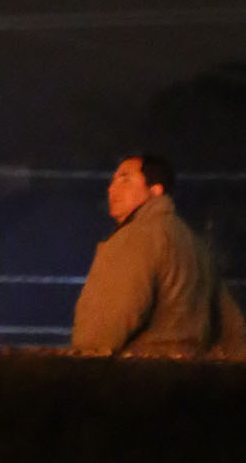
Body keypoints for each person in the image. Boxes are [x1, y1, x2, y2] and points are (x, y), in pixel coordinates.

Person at [70, 153, 246, 357]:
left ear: (155, 190)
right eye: (112, 181)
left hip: (137, 377)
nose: (112, 188)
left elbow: (99, 332)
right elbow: (233, 331)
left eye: (125, 179)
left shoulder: (136, 237)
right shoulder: (195, 246)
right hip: (191, 377)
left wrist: (80, 366)